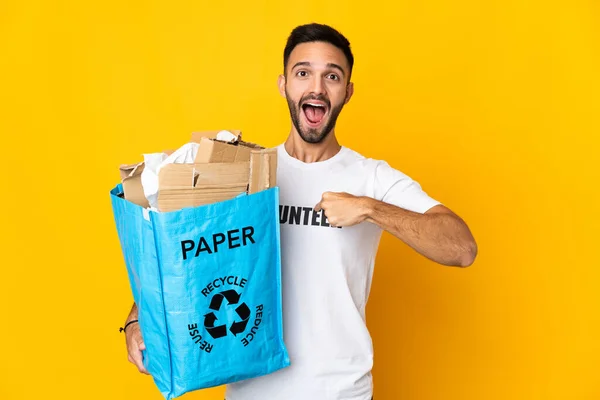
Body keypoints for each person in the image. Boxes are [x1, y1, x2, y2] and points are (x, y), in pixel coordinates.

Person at [123, 23, 477, 400]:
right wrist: (134, 318)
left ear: (348, 92)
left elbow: (461, 248)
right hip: (250, 391)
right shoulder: (245, 172)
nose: (317, 88)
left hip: (341, 392)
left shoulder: (371, 178)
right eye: (303, 73)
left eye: (333, 76)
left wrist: (370, 209)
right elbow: (180, 249)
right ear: (284, 85)